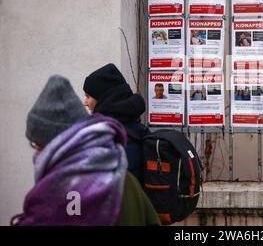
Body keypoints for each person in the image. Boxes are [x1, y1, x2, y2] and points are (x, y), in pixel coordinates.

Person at [10, 75, 160, 226]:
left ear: (58, 145)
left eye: (38, 145)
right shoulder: (123, 174)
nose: (36, 154)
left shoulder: (59, 193)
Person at [83, 63, 146, 182]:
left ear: (103, 98)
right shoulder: (135, 128)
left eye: (88, 97)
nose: (85, 102)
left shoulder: (110, 137)